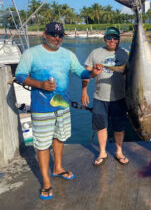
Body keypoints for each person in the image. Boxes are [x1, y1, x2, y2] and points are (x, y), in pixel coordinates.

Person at [15, 22, 102, 200]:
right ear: (44, 34)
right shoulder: (31, 54)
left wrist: (93, 73)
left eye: (60, 35)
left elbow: (80, 72)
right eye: (53, 34)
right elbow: (20, 75)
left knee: (60, 137)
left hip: (62, 106)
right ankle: (46, 182)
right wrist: (39, 84)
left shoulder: (68, 55)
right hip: (41, 108)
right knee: (42, 143)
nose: (57, 38)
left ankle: (58, 167)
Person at [81, 27, 130, 166]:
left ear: (119, 39)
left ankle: (119, 151)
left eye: (115, 37)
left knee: (119, 127)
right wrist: (84, 91)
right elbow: (86, 74)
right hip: (100, 97)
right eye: (109, 38)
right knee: (101, 126)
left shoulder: (125, 53)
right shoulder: (95, 53)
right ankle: (102, 152)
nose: (112, 40)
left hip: (120, 97)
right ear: (105, 39)